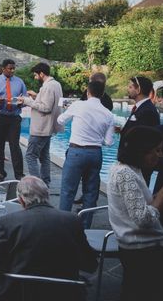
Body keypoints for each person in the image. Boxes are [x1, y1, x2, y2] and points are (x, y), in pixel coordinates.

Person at [0, 176, 97, 301]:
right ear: (47, 195)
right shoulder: (72, 220)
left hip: (17, 293)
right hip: (63, 293)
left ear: (21, 200)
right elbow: (90, 264)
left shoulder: (10, 222)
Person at [108, 126, 163, 301]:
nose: (161, 155)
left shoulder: (130, 169)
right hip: (142, 249)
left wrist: (154, 197)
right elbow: (142, 218)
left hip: (137, 247)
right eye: (156, 150)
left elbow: (133, 205)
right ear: (141, 150)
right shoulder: (126, 174)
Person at [56, 81, 114, 227]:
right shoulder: (108, 114)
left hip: (76, 151)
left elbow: (60, 120)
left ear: (88, 92)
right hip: (95, 154)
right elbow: (108, 142)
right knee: (91, 192)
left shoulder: (78, 105)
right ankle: (86, 227)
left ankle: (63, 226)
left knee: (68, 190)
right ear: (102, 94)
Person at [18, 62, 63, 187]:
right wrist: (37, 96)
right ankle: (45, 182)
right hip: (49, 127)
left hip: (41, 127)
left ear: (42, 73)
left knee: (30, 156)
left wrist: (27, 101)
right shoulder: (56, 84)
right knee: (44, 156)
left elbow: (46, 107)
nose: (35, 77)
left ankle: (37, 185)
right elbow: (49, 102)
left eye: (36, 74)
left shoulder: (47, 87)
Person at [0, 59, 28, 182]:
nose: (12, 70)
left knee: (15, 145)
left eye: (13, 68)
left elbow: (25, 98)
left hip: (14, 117)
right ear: (3, 68)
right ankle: (0, 173)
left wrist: (21, 102)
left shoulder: (19, 82)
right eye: (10, 68)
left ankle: (19, 174)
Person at [119, 76, 161, 184]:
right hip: (132, 165)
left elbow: (145, 140)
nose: (128, 89)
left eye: (131, 87)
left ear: (139, 90)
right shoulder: (141, 108)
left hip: (137, 166)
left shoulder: (147, 110)